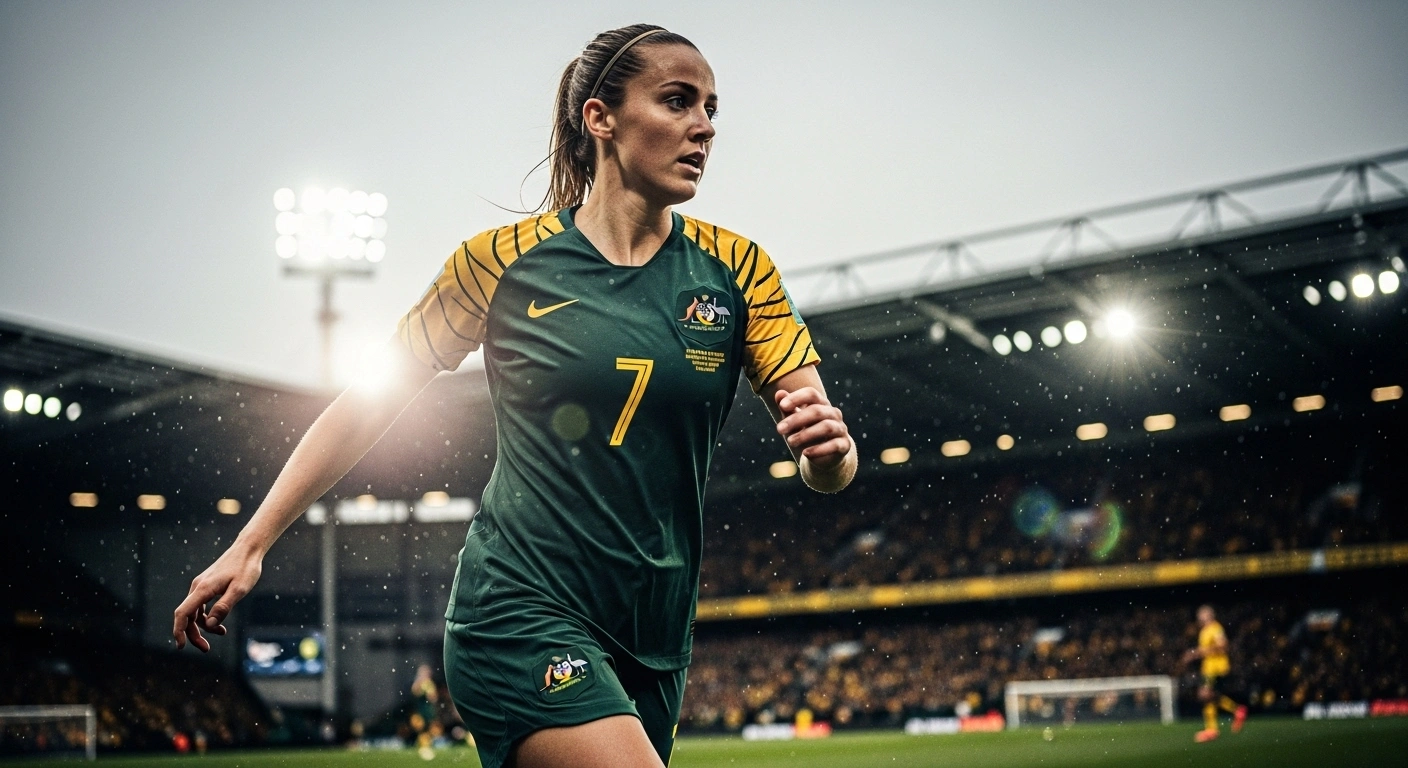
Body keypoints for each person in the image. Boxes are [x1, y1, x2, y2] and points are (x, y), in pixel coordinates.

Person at [172, 23, 856, 768]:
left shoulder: (740, 270)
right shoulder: (498, 263)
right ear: (600, 118)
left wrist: (829, 456)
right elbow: (368, 404)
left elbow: (828, 461)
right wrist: (252, 542)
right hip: (519, 607)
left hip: (656, 632)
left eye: (711, 109)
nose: (704, 127)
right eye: (677, 101)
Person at [1181, 604, 1247, 742]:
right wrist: (1195, 654)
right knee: (1209, 696)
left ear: (1209, 615)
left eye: (1202, 615)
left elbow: (1223, 645)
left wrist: (1197, 653)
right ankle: (1220, 723)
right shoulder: (1205, 630)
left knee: (1204, 694)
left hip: (1216, 667)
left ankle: (1230, 714)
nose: (1199, 618)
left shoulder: (1216, 628)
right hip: (1208, 667)